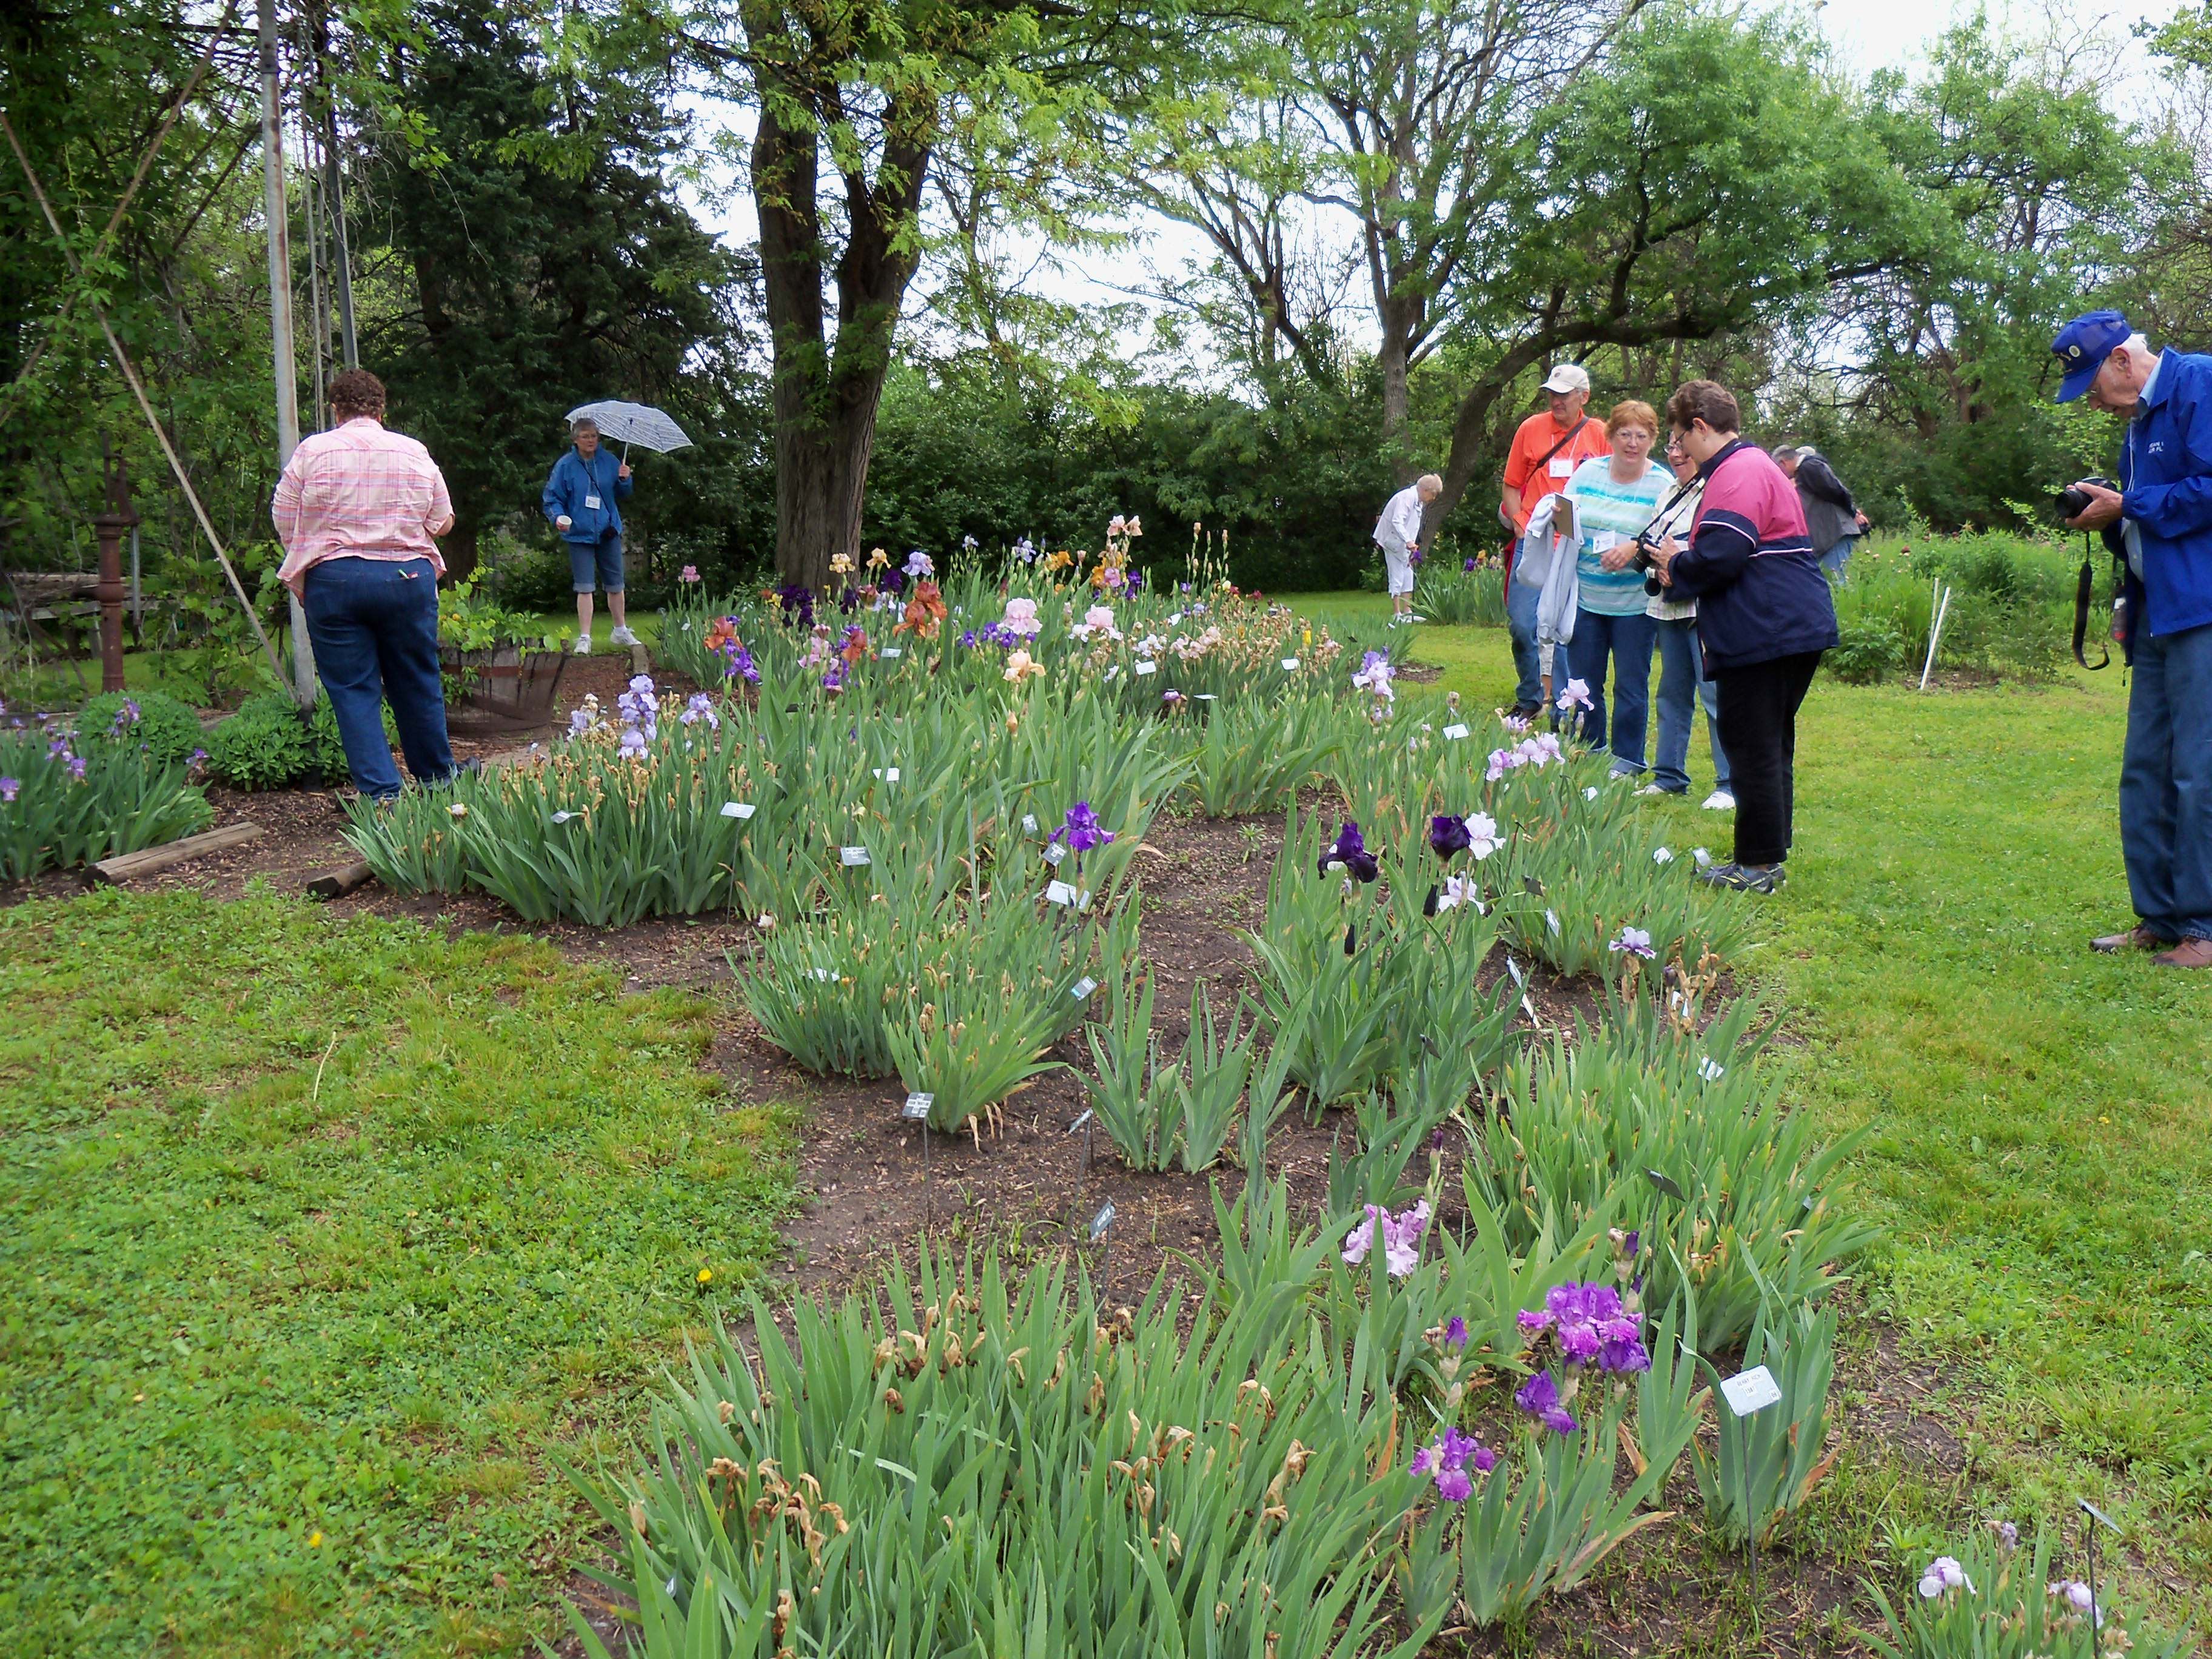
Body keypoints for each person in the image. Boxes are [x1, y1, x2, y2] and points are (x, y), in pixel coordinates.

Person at [2053, 309, 2212, 970]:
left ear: (2122, 359)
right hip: (2155, 614)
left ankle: (2203, 928)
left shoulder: (2200, 383)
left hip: (2202, 612)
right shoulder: (2138, 423)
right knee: (2145, 769)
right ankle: (2161, 917)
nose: (2093, 402)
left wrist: (2131, 505)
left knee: (2199, 771)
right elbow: (2148, 512)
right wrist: (2108, 515)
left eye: (2093, 386)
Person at [1646, 380, 1838, 893]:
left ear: (1700, 427)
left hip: (1766, 627)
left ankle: (1757, 868)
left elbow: (1724, 555)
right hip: (1787, 623)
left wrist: (1676, 562)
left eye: (1681, 438)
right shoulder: (1754, 465)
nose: (1681, 450)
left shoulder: (1737, 471)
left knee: (1751, 745)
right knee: (1767, 743)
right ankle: (1767, 856)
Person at [270, 367, 459, 800]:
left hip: (335, 580)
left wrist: (312, 549)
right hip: (406, 577)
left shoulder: (312, 451)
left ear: (336, 409)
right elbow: (443, 522)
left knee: (354, 690)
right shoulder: (413, 451)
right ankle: (437, 780)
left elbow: (283, 517)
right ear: (381, 409)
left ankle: (383, 795)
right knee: (417, 679)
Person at [1606, 431, 1733, 808]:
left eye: (1683, 447)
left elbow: (1717, 549)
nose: (1677, 455)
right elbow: (1652, 543)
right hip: (1669, 605)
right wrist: (1658, 566)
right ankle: (1669, 776)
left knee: (1714, 695)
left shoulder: (1716, 490)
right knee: (1671, 694)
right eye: (1672, 447)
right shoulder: (1668, 494)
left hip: (1704, 608)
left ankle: (1730, 784)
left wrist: (1679, 564)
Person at [1552, 401, 1672, 774]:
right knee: (1584, 683)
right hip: (1587, 598)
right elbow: (1566, 519)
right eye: (1625, 434)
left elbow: (1669, 537)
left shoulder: (1662, 484)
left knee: (1631, 686)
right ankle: (1588, 751)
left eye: (1641, 436)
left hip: (1635, 605)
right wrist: (1559, 520)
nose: (1632, 443)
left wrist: (1635, 547)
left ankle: (1628, 760)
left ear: (1652, 439)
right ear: (1610, 436)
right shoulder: (1588, 474)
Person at [1499, 364, 1612, 714]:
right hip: (1535, 541)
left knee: (1566, 630)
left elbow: (1612, 489)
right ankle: (1530, 697)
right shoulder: (1530, 428)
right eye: (1552, 394)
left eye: (1564, 395)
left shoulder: (1600, 434)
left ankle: (1562, 707)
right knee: (1522, 625)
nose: (1556, 401)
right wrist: (1520, 524)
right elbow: (1511, 485)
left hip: (1576, 545)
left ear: (1584, 397)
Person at [543, 416, 635, 655]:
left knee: (616, 584)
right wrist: (558, 518)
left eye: (594, 436)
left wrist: (625, 479)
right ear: (575, 439)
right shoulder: (565, 466)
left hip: (608, 531)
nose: (591, 440)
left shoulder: (610, 461)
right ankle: (585, 637)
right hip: (579, 533)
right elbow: (552, 498)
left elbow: (623, 493)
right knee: (585, 587)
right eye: (585, 436)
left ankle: (620, 630)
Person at [1772, 444, 1871, 580]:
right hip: (1828, 538)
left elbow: (1837, 491)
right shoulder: (1805, 471)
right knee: (1828, 583)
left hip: (1836, 535)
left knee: (1837, 583)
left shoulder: (1810, 467)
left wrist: (1853, 513)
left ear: (1783, 463)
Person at [1373, 473, 1442, 625]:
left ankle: (1407, 612)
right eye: (1433, 494)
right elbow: (1397, 521)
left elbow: (1412, 525)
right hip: (1392, 541)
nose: (1433, 498)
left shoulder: (1418, 501)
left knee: (1407, 575)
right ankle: (1397, 614)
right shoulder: (1406, 497)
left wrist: (1410, 543)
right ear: (1425, 490)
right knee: (1396, 575)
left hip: (1404, 544)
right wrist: (1409, 541)